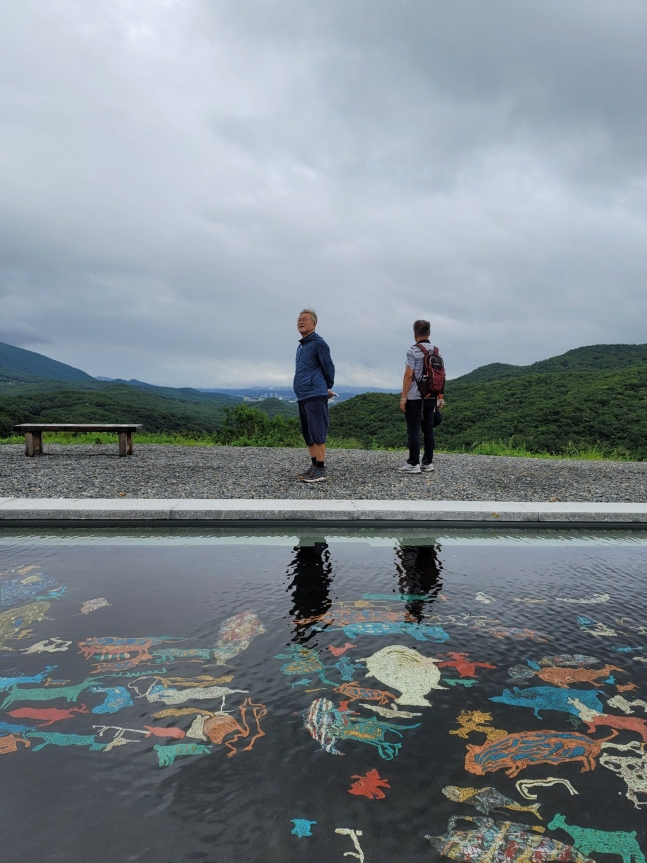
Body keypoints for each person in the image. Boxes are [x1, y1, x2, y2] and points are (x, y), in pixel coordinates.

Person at [293, 308, 336, 482]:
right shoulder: (301, 346)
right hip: (304, 394)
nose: (300, 322)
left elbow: (329, 367)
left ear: (314, 324)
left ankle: (320, 470)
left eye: (304, 319)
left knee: (317, 431)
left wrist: (325, 387)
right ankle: (314, 466)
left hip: (314, 393)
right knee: (308, 433)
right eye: (299, 320)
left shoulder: (319, 343)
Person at [399, 319, 444, 473]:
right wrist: (440, 397)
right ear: (429, 333)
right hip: (431, 396)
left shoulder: (412, 351)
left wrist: (403, 397)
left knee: (413, 429)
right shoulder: (436, 351)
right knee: (428, 429)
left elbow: (408, 375)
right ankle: (427, 462)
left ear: (415, 334)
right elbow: (441, 376)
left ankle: (413, 464)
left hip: (414, 397)